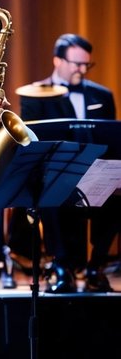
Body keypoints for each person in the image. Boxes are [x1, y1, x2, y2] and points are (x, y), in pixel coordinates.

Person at [19, 33, 117, 293]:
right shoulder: (35, 95)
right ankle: (61, 265)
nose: (82, 70)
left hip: (94, 173)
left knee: (117, 193)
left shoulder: (102, 95)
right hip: (56, 174)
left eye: (87, 65)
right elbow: (32, 143)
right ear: (57, 61)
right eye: (77, 64)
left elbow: (111, 141)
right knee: (50, 192)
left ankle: (95, 266)